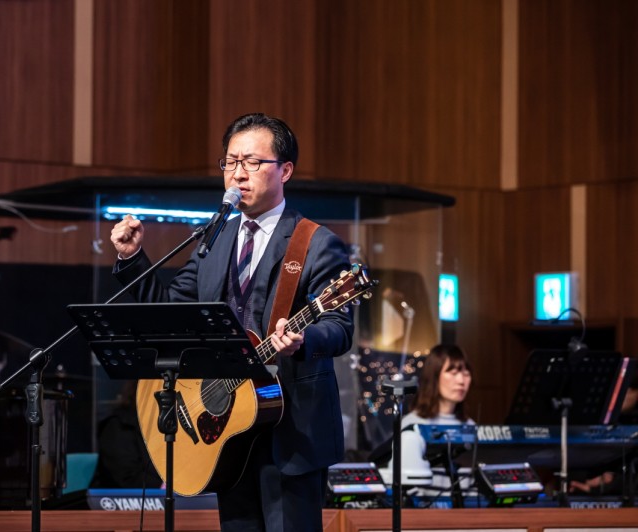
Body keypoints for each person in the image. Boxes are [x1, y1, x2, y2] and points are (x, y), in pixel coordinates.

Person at [109, 113, 355, 532]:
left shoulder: (315, 242)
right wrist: (133, 259)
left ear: (285, 171)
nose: (238, 174)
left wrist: (304, 339)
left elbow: (339, 326)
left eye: (252, 162)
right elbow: (171, 312)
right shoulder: (216, 236)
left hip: (289, 431)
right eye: (230, 162)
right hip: (225, 429)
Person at [385, 344, 474, 492]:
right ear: (434, 377)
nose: (461, 381)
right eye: (453, 373)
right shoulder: (411, 425)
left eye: (466, 373)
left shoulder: (471, 426)